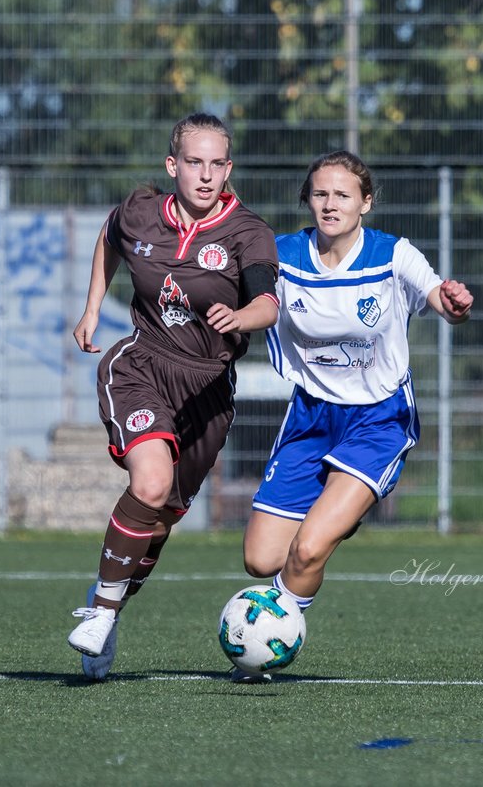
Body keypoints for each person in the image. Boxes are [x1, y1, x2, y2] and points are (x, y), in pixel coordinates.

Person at [240, 150, 473, 680]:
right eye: (320, 194)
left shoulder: (393, 254)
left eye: (343, 194)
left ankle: (267, 640)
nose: (330, 204)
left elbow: (439, 298)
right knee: (261, 559)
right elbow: (247, 298)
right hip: (311, 418)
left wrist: (452, 301)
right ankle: (336, 517)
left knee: (309, 550)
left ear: (365, 202)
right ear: (308, 200)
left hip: (378, 419)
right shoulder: (282, 255)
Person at [68, 112, 280, 680]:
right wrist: (92, 308)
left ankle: (107, 603)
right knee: (151, 482)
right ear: (173, 166)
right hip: (141, 365)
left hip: (208, 389)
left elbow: (268, 303)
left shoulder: (248, 232)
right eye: (194, 163)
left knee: (159, 520)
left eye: (216, 164)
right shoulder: (142, 210)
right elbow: (110, 236)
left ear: (228, 169)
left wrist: (241, 315)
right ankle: (103, 612)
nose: (205, 175)